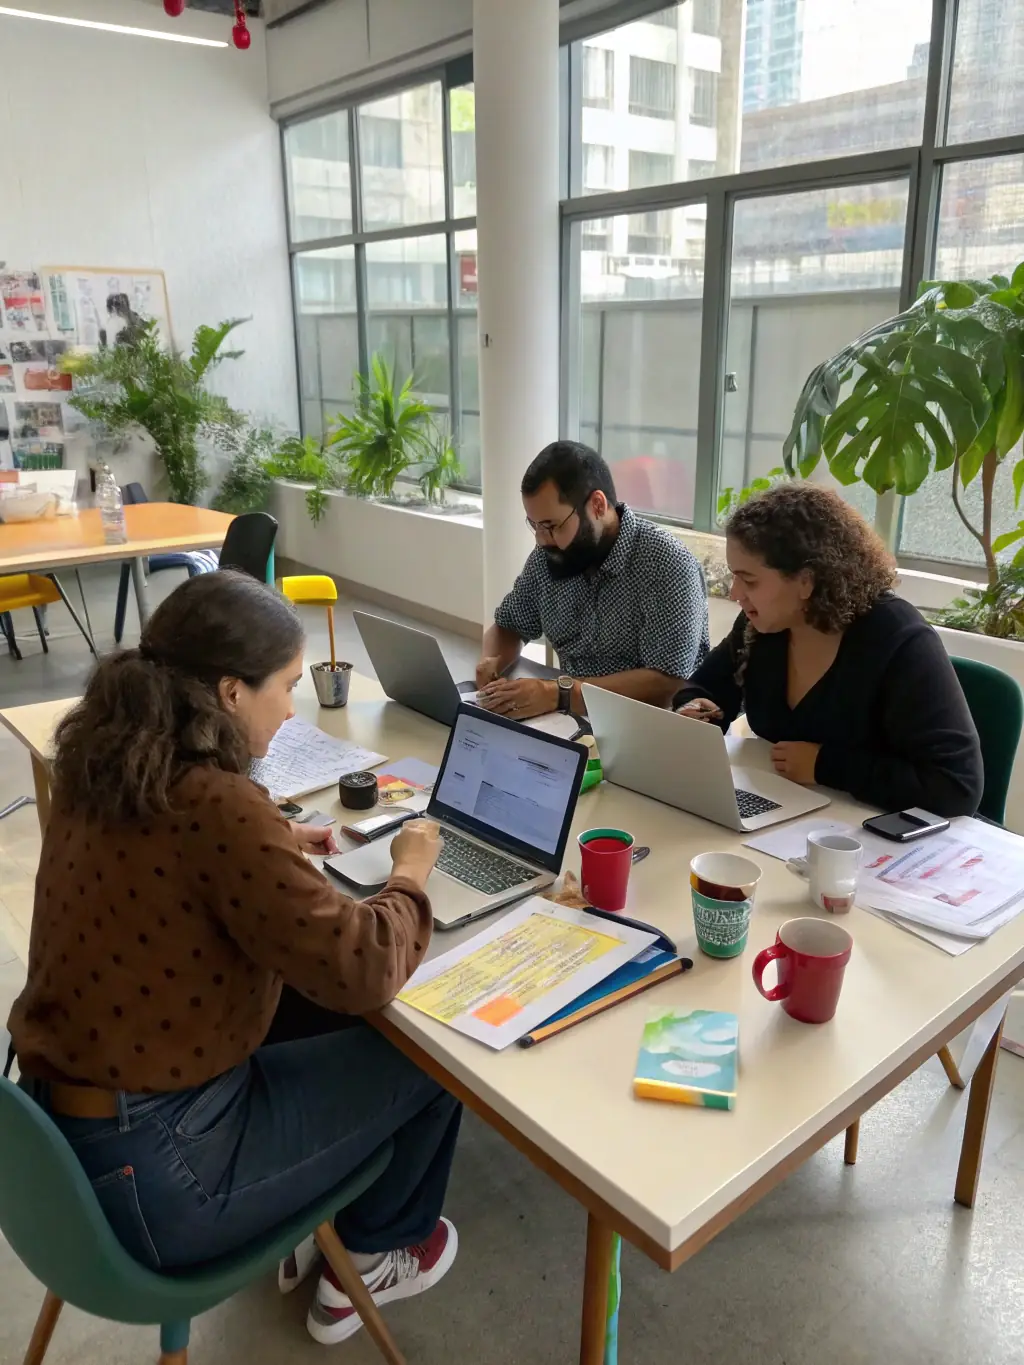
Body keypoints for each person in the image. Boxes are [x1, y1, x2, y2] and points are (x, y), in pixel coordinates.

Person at [7, 572, 460, 1348]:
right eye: (285, 687)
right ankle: (378, 1245)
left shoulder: (105, 764)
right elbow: (364, 963)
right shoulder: (217, 804)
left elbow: (169, 871)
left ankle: (308, 1216)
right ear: (228, 692)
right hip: (164, 1180)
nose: (291, 709)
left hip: (60, 1134)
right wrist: (411, 869)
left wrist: (276, 844)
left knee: (311, 1001)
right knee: (434, 1055)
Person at [672, 483, 983, 817]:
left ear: (806, 581)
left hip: (882, 840)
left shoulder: (896, 637)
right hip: (796, 817)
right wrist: (694, 706)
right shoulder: (762, 628)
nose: (735, 593)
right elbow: (707, 686)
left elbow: (956, 785)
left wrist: (824, 765)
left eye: (749, 581)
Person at [474, 440, 709, 718]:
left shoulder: (666, 563)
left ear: (597, 505)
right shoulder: (550, 556)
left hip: (651, 726)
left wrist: (559, 694)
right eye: (534, 525)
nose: (541, 539)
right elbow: (509, 625)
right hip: (572, 719)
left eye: (551, 525)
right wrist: (491, 661)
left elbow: (668, 683)